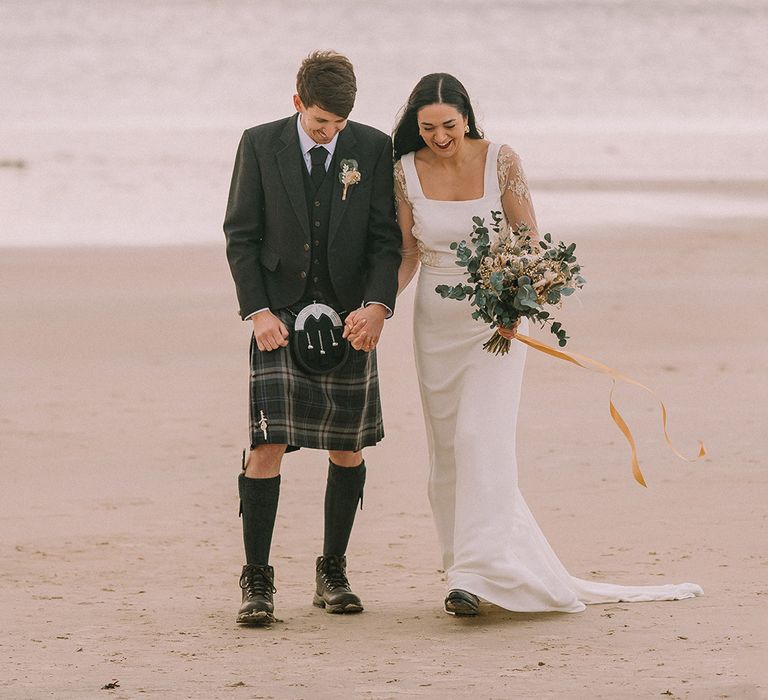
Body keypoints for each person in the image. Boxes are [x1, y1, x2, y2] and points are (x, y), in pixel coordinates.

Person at [382, 73, 702, 616]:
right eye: (428, 127)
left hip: (497, 323)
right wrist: (380, 305)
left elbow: (528, 235)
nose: (439, 137)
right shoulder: (403, 170)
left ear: (467, 118)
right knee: (449, 449)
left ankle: (480, 574)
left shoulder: (501, 158)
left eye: (449, 126)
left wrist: (514, 294)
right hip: (435, 323)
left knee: (481, 435)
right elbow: (410, 253)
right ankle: (466, 566)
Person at [223, 51, 401, 625]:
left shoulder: (372, 148)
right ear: (298, 102)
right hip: (278, 316)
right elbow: (241, 235)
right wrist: (257, 311)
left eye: (340, 124)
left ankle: (333, 570)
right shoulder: (258, 143)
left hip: (349, 317)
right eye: (322, 122)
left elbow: (384, 240)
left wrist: (377, 306)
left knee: (347, 446)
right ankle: (257, 581)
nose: (332, 133)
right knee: (266, 446)